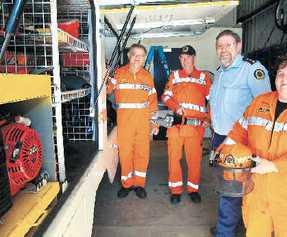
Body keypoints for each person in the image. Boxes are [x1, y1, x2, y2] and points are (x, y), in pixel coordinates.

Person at [217, 52, 287, 237]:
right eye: (280, 73)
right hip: (256, 194)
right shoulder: (259, 103)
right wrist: (223, 153)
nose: (284, 78)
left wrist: (273, 166)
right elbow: (237, 134)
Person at [210, 30, 271, 236]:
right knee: (228, 187)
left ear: (238, 46)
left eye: (228, 45)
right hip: (220, 137)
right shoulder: (219, 72)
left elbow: (266, 108)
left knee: (233, 189)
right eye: (220, 46)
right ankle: (231, 225)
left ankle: (224, 231)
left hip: (240, 142)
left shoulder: (252, 70)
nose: (223, 50)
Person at [107, 43, 158, 199]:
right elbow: (106, 91)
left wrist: (153, 122)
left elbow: (153, 100)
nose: (138, 58)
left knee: (142, 154)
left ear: (144, 59)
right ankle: (127, 184)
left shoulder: (147, 76)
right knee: (125, 154)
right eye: (135, 55)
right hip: (125, 123)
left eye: (142, 56)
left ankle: (139, 185)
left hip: (143, 123)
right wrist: (105, 76)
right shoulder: (118, 74)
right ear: (129, 56)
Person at [161, 45, 211, 204]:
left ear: (193, 58)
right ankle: (175, 190)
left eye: (187, 57)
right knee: (173, 158)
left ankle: (193, 189)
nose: (184, 60)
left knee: (194, 160)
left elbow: (212, 101)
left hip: (195, 127)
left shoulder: (204, 77)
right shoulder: (174, 76)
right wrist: (176, 107)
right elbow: (166, 96)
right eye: (182, 58)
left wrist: (208, 120)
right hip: (176, 126)